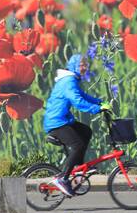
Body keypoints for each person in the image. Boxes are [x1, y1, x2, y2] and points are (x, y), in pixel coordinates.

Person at [43, 52, 103, 196]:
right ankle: (63, 178)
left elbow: (83, 95)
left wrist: (100, 102)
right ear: (74, 66)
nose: (85, 68)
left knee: (86, 131)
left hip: (63, 120)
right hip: (56, 123)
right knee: (78, 144)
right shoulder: (68, 81)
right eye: (82, 65)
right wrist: (97, 109)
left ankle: (78, 167)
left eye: (86, 65)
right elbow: (77, 101)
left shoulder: (72, 80)